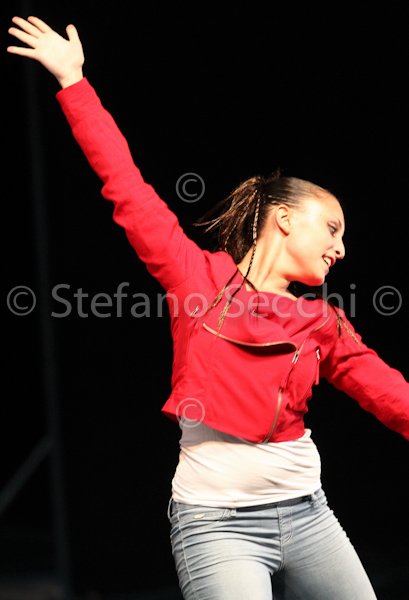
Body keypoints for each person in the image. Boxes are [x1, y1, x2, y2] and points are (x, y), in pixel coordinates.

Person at [7, 16, 409, 600]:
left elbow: (391, 394)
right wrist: (74, 82)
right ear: (285, 218)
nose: (341, 248)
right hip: (219, 527)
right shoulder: (196, 279)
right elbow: (126, 186)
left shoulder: (322, 321)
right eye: (332, 228)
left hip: (309, 517)